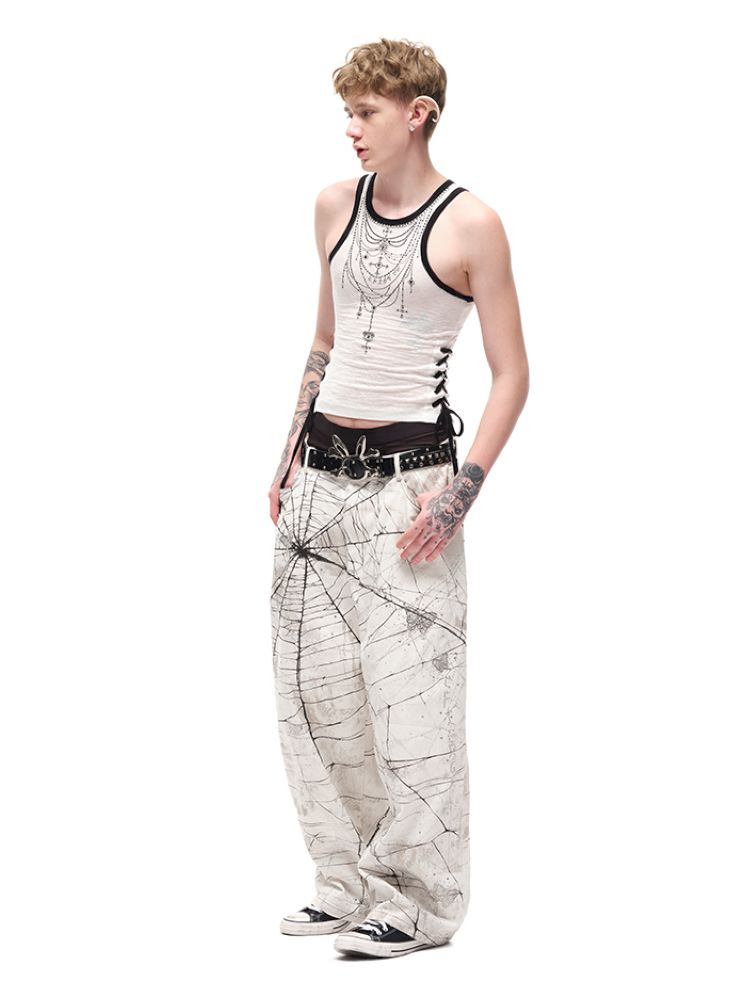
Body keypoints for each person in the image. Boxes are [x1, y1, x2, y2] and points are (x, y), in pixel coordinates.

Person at [269, 37, 529, 959]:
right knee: (314, 697)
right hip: (318, 481)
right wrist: (286, 455)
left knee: (414, 708)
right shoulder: (332, 207)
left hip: (410, 487)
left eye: (366, 112)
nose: (351, 129)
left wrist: (459, 496)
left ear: (418, 113)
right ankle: (344, 882)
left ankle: (421, 905)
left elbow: (512, 375)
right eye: (347, 112)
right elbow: (326, 338)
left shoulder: (472, 225)